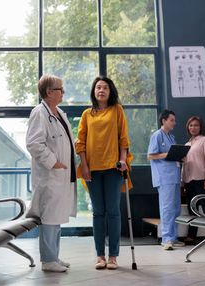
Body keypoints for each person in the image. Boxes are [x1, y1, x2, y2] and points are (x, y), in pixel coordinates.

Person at [75, 76, 133, 270]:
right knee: (98, 212)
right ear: (93, 91)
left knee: (114, 212)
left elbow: (123, 138)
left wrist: (123, 160)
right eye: (98, 87)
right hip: (92, 169)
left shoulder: (117, 110)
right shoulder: (86, 114)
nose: (101, 90)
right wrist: (84, 165)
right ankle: (100, 256)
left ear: (110, 91)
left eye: (105, 88)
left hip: (113, 168)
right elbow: (80, 142)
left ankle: (113, 256)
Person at [26, 74, 77, 272]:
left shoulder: (58, 113)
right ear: (49, 92)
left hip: (62, 175)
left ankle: (53, 256)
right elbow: (34, 143)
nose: (63, 93)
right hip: (50, 176)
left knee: (56, 217)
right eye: (60, 90)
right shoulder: (39, 112)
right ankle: (48, 261)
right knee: (49, 218)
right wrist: (53, 162)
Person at [147, 109, 184, 250]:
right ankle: (166, 239)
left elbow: (171, 155)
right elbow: (150, 156)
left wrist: (179, 156)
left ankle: (173, 238)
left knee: (175, 209)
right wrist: (168, 154)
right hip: (164, 177)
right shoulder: (157, 136)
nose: (174, 123)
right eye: (172, 120)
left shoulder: (172, 137)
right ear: (164, 121)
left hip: (174, 177)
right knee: (167, 208)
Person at [182, 116, 205, 244]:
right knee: (192, 208)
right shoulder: (187, 144)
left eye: (196, 125)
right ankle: (191, 236)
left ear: (200, 127)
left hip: (202, 179)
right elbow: (185, 164)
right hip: (189, 180)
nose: (193, 127)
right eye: (191, 125)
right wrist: (183, 181)